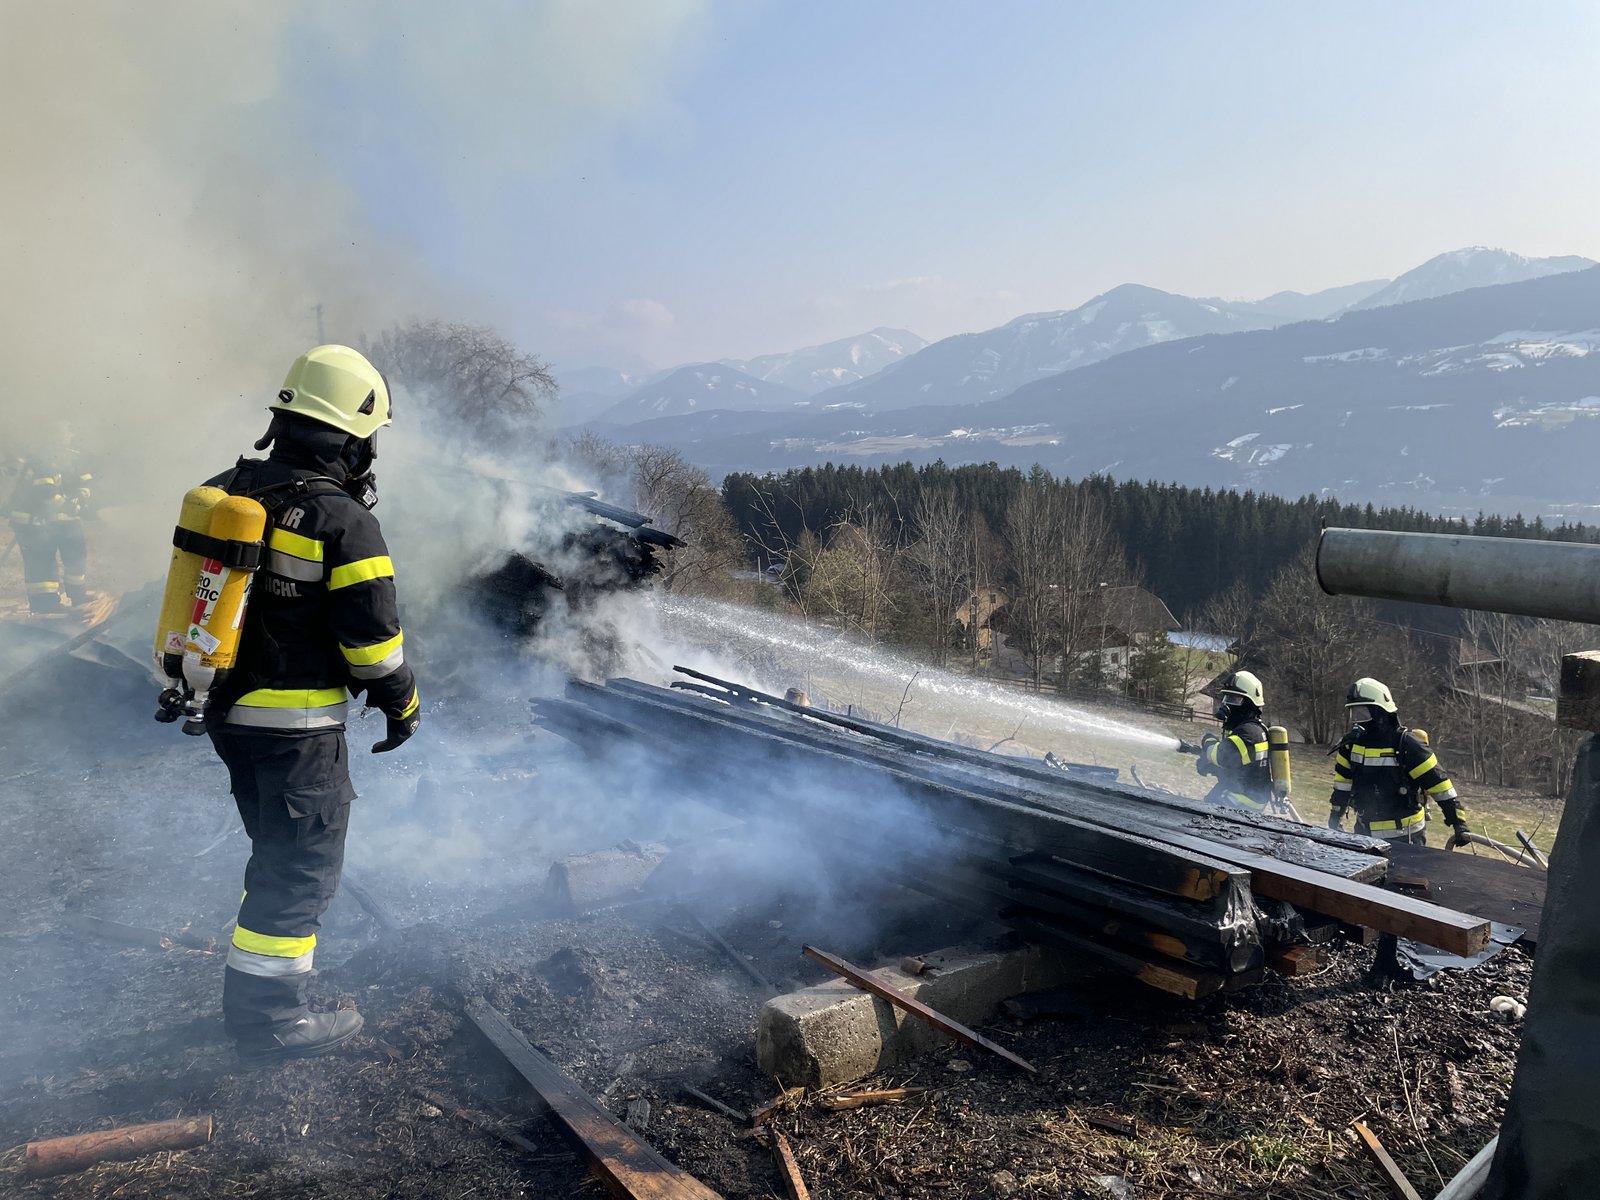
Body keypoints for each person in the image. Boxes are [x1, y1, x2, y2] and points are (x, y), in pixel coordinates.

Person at [205, 344, 420, 1065]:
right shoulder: (341, 520)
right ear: (352, 437)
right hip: (296, 728)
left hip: (228, 714)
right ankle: (270, 1021)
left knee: (276, 855)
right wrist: (403, 703)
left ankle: (253, 998)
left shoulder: (228, 492)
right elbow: (373, 645)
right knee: (300, 870)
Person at [1327, 677, 1469, 846]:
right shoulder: (1350, 745)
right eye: (1355, 713)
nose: (1358, 720)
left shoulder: (1407, 745)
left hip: (1406, 838)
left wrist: (1458, 823)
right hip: (1364, 834)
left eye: (1363, 713)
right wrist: (1335, 816)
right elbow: (1342, 785)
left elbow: (1439, 785)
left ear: (1381, 712)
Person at [5, 435, 93, 614]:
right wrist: (71, 506)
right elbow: (46, 494)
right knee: (41, 565)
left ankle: (74, 595)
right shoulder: (41, 463)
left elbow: (78, 482)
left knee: (65, 557)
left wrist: (79, 498)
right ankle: (45, 605)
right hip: (30, 523)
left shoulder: (57, 461)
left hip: (40, 521)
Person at [1194, 670, 1273, 811]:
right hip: (1242, 793)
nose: (1226, 704)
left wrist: (1208, 740)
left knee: (1201, 812)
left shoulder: (1248, 734)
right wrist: (1211, 768)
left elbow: (1220, 756)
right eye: (1226, 698)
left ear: (1249, 704)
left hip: (1242, 802)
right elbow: (1240, 766)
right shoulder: (1252, 729)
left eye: (1234, 699)